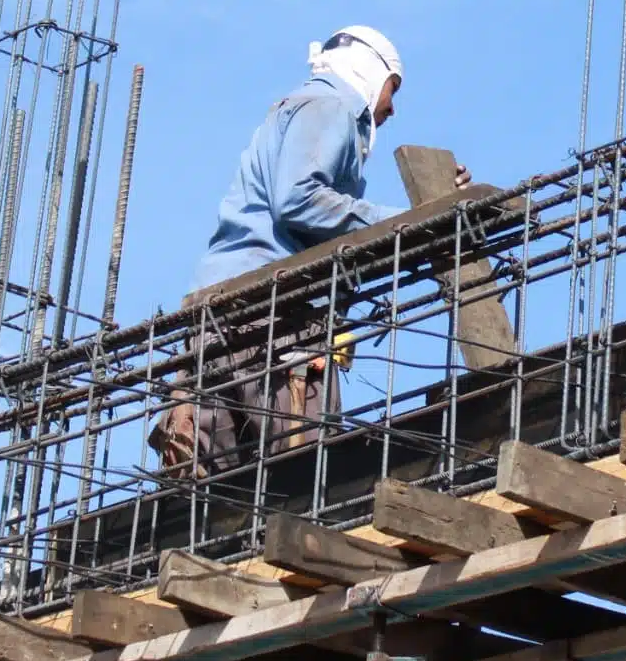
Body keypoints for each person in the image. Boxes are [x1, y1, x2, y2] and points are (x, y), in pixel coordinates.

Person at [152, 26, 463, 473]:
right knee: (302, 478)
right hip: (274, 317)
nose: (391, 108)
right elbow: (299, 199)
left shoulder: (299, 109)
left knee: (210, 493)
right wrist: (403, 222)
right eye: (391, 89)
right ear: (367, 71)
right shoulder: (331, 106)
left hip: (219, 317)